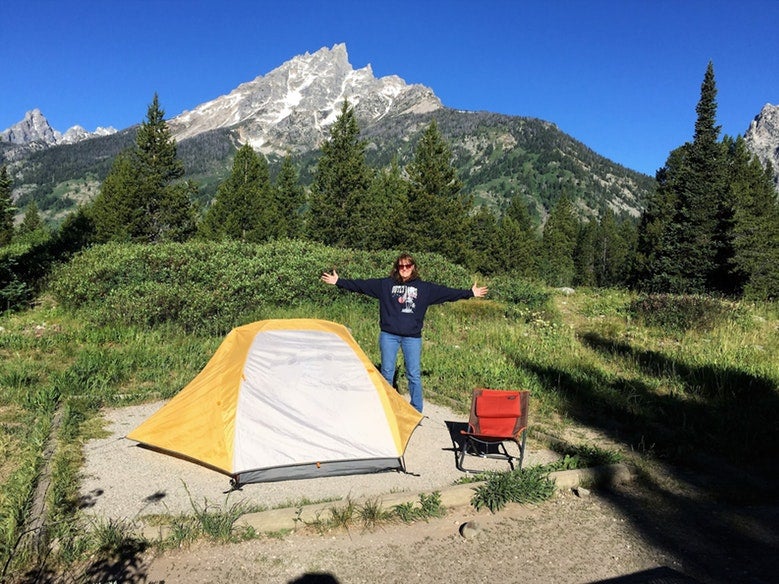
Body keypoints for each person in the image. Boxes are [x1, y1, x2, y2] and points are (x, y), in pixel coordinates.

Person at [321, 253, 488, 413]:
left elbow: (447, 293)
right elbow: (361, 285)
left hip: (412, 338)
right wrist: (339, 281)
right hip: (389, 336)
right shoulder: (385, 285)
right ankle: (387, 407)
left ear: (413, 267)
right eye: (401, 266)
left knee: (413, 374)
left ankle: (416, 410)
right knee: (387, 372)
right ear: (397, 268)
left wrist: (469, 293)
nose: (404, 268)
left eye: (407, 265)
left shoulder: (424, 288)